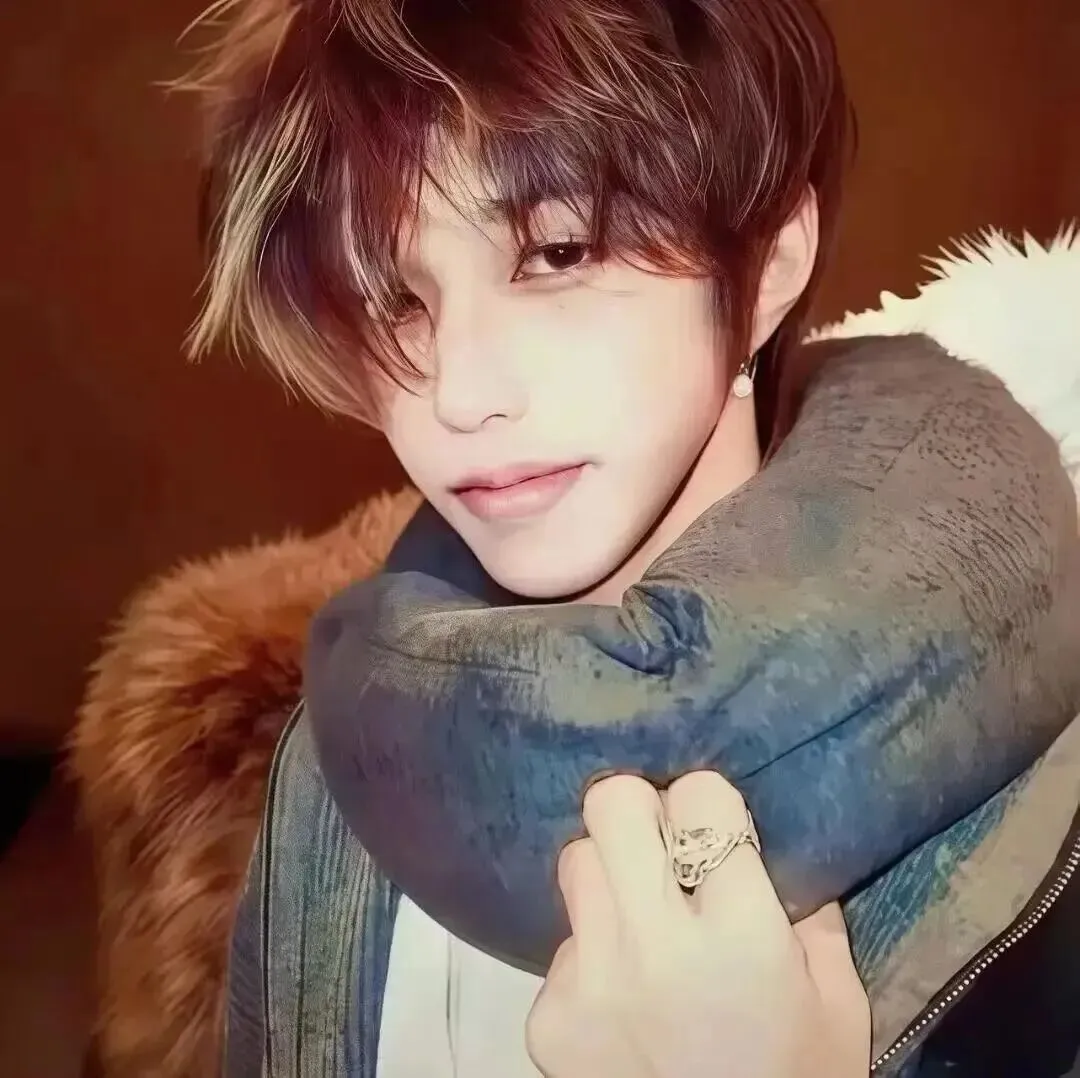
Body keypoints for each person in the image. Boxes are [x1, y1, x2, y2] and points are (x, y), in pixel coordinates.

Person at [180, 0, 1080, 1075]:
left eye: (557, 252)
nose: (459, 392)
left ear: (769, 263)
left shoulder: (1034, 774)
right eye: (393, 298)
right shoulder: (340, 759)